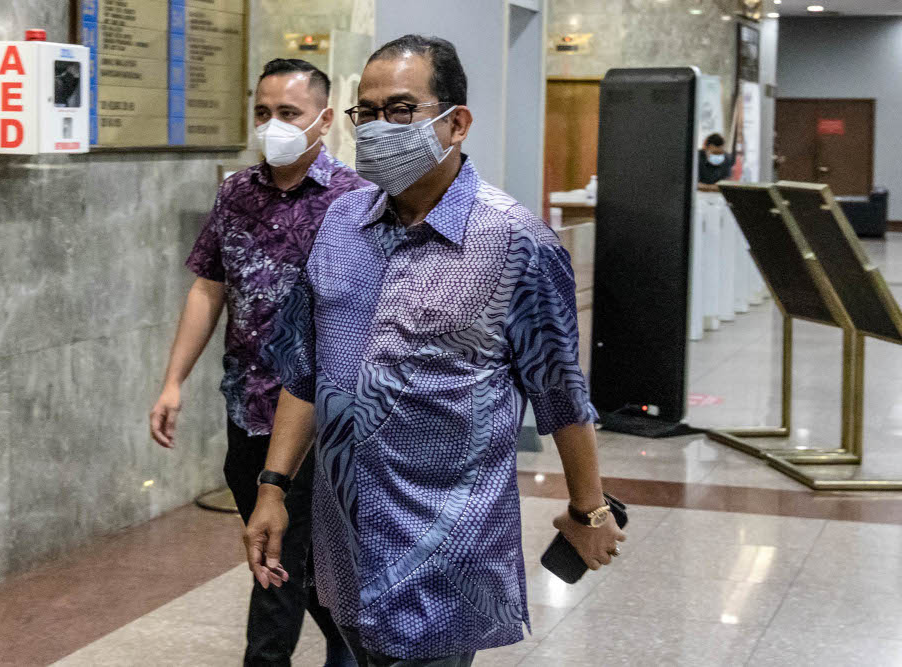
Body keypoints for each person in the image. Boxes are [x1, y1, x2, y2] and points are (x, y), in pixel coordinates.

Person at [244, 35, 625, 666]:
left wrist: (588, 510)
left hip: (444, 553)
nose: (376, 129)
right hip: (345, 543)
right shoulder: (339, 226)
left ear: (456, 124)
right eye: (367, 113)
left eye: (401, 110)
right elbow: (305, 371)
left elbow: (561, 396)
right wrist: (273, 486)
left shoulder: (514, 243)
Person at [150, 58, 366, 667]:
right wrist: (173, 382)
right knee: (304, 562)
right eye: (263, 113)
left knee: (273, 558)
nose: (273, 125)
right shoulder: (236, 193)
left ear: (323, 121)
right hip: (249, 411)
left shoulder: (356, 202)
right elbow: (208, 288)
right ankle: (354, 649)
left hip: (321, 422)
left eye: (289, 114)